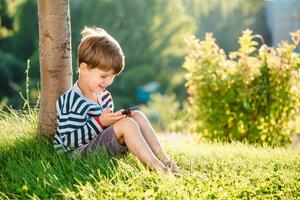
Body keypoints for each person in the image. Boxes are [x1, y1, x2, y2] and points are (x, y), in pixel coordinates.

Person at [53, 26, 179, 174]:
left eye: (112, 77)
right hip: (77, 156)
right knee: (126, 125)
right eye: (103, 76)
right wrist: (100, 122)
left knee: (136, 115)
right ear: (84, 69)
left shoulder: (104, 96)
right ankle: (157, 168)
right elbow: (69, 141)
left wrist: (112, 120)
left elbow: (105, 132)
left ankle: (165, 161)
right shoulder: (71, 100)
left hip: (97, 147)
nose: (108, 82)